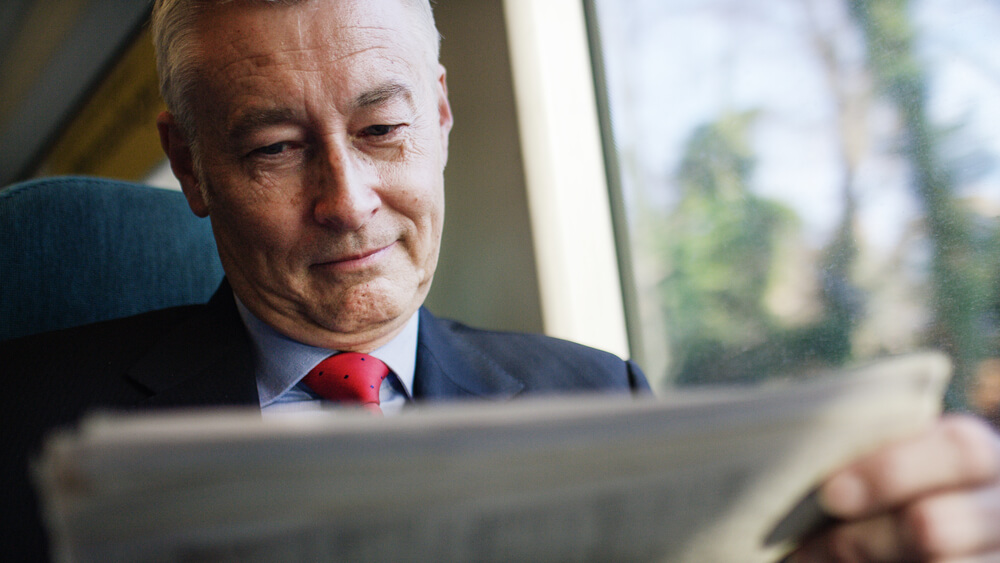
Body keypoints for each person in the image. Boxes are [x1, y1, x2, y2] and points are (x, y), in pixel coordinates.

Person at [2, 0, 998, 560]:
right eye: (271, 146)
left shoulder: (598, 398)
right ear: (191, 168)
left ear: (437, 116)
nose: (347, 200)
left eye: (383, 129)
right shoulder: (20, 420)